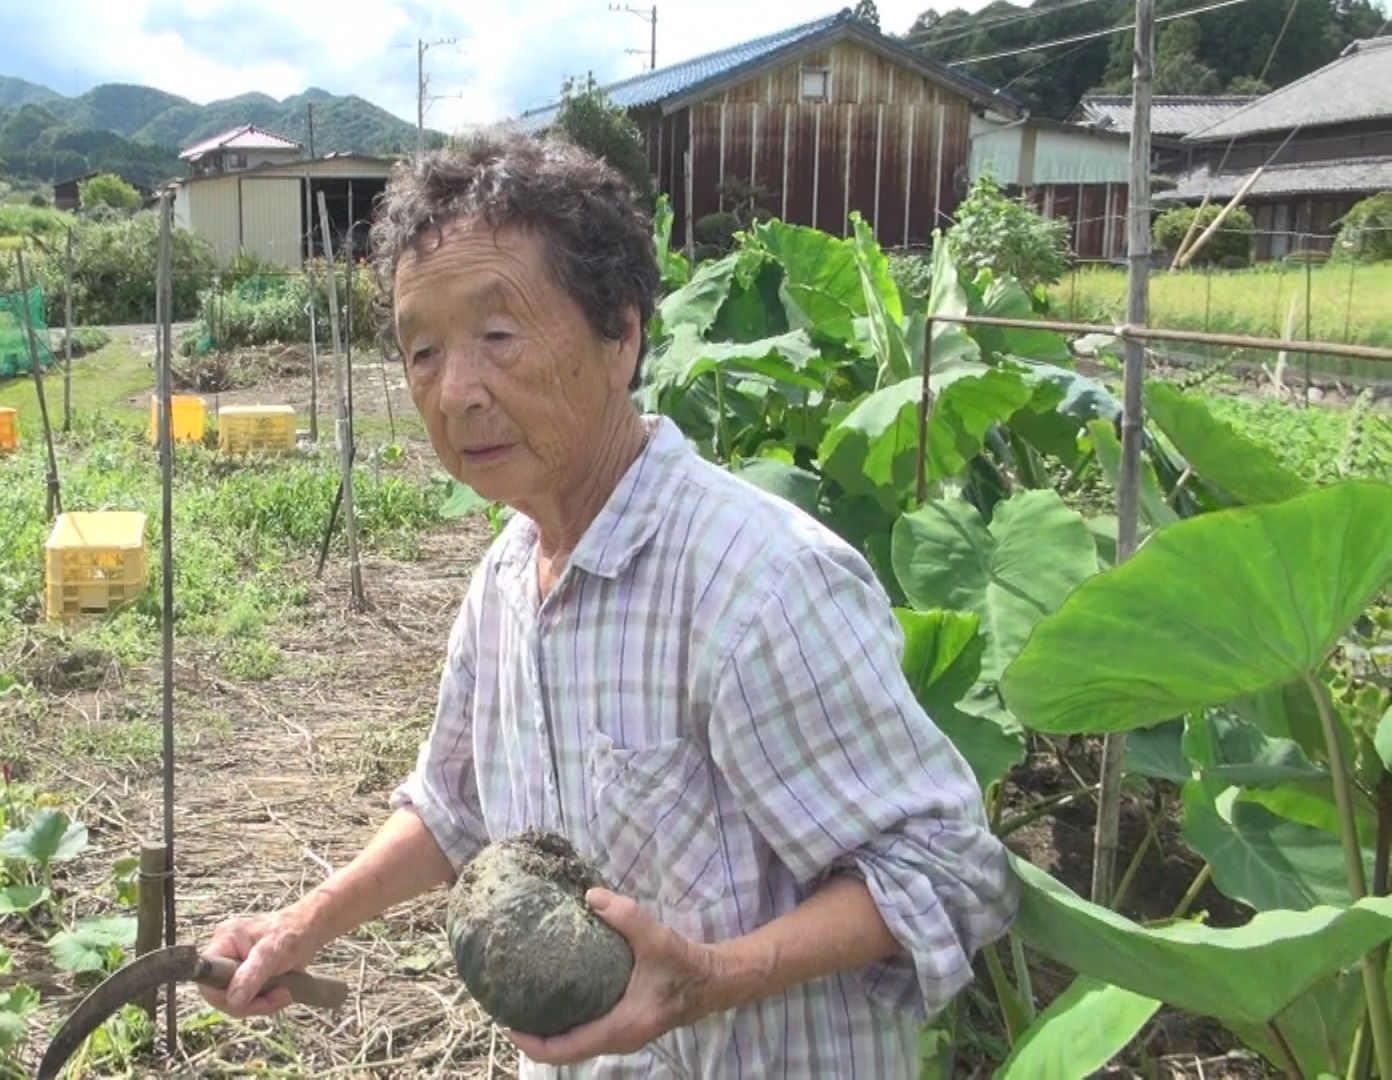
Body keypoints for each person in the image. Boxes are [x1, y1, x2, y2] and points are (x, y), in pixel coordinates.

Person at [198, 128, 1017, 1077]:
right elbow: (452, 805)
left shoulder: (758, 585)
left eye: (499, 336)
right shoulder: (507, 576)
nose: (457, 391)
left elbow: (948, 872)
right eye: (422, 351)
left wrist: (705, 978)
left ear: (621, 334)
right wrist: (302, 925)